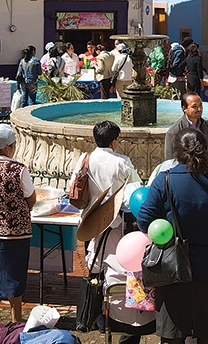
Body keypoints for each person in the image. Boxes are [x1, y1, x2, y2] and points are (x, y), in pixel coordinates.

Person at [137, 128, 208, 344]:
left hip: (172, 269)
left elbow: (144, 220)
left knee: (172, 336)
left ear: (176, 152)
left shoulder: (165, 181)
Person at [69, 121, 152, 342]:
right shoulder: (122, 162)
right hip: (115, 224)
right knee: (117, 270)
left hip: (90, 223)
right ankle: (119, 317)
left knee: (95, 269)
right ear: (114, 140)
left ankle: (97, 315)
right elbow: (134, 189)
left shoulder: (85, 158)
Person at [0, 124, 36, 328]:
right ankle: (15, 318)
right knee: (15, 272)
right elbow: (31, 197)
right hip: (15, 231)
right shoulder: (18, 169)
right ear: (7, 147)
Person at [164, 91, 208, 165]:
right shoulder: (174, 131)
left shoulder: (206, 125)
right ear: (184, 108)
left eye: (200, 106)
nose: (199, 109)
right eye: (194, 107)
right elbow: (170, 161)